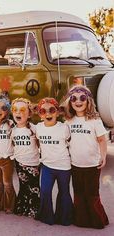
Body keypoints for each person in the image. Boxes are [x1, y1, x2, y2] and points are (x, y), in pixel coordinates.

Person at [63, 85, 109, 229]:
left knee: (92, 194)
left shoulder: (95, 120)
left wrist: (103, 156)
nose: (78, 101)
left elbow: (102, 140)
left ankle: (98, 220)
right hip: (75, 164)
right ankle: (81, 220)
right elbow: (64, 140)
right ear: (69, 102)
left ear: (88, 101)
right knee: (78, 193)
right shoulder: (68, 121)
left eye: (82, 98)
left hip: (92, 164)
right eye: (74, 98)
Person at [35, 97, 73, 226]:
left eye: (51, 110)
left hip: (64, 167)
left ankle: (64, 218)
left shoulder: (64, 128)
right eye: (43, 111)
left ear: (57, 112)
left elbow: (70, 142)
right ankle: (47, 217)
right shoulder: (38, 128)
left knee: (64, 192)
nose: (48, 114)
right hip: (47, 166)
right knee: (45, 191)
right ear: (40, 115)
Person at [11, 98, 40, 219]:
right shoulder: (13, 130)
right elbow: (12, 144)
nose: (18, 113)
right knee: (23, 186)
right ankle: (22, 206)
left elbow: (40, 144)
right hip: (19, 163)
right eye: (15, 110)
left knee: (33, 187)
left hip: (33, 163)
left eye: (22, 110)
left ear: (29, 114)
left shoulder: (33, 129)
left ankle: (34, 209)